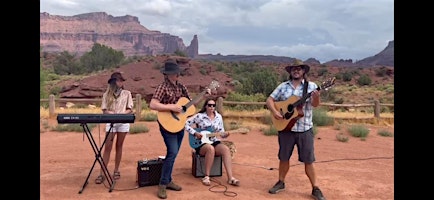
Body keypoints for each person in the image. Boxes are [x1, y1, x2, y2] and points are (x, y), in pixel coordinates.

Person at [265, 60, 326, 200]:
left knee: (308, 160)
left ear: (304, 71)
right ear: (290, 71)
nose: (296, 71)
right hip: (285, 128)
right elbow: (269, 100)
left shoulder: (311, 87)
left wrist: (316, 98)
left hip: (304, 129)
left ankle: (315, 188)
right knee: (284, 157)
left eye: (299, 69)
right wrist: (275, 111)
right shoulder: (283, 86)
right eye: (294, 69)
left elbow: (315, 105)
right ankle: (281, 182)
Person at [149, 59, 209, 199]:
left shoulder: (181, 87)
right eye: (175, 73)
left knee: (173, 154)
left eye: (178, 73)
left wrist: (203, 96)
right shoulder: (162, 86)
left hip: (179, 124)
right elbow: (153, 104)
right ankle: (163, 184)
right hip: (167, 124)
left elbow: (189, 106)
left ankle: (168, 180)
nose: (178, 75)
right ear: (168, 74)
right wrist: (171, 107)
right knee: (172, 151)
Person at [185, 98, 240, 187]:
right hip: (201, 143)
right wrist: (194, 132)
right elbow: (185, 123)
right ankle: (206, 176)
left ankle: (231, 178)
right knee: (210, 149)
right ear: (206, 106)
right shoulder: (199, 116)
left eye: (213, 105)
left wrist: (225, 134)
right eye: (209, 105)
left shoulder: (219, 117)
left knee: (225, 149)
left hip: (213, 140)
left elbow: (221, 132)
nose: (211, 107)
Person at [95, 72, 134, 184]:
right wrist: (111, 114)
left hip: (123, 122)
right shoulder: (106, 95)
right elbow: (104, 109)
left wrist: (122, 114)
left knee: (119, 145)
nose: (121, 82)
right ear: (114, 82)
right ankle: (102, 172)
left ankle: (116, 170)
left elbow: (130, 108)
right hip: (111, 122)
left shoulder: (127, 93)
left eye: (121, 80)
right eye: (119, 80)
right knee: (107, 147)